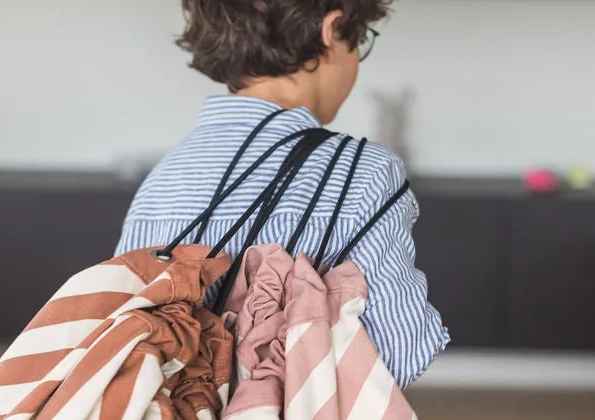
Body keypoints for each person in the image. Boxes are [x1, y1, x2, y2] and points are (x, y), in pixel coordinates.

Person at [115, 0, 447, 387]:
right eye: (360, 41)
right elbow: (400, 353)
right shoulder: (363, 172)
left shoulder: (162, 180)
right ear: (331, 31)